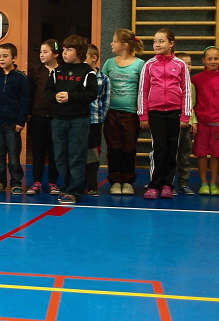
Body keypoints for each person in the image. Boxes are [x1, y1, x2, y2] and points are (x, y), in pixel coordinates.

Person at [137, 28, 192, 200]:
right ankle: (154, 184)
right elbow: (143, 90)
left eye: (161, 41)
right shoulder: (149, 65)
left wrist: (186, 115)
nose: (157, 44)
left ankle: (167, 184)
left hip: (175, 113)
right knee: (159, 148)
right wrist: (143, 115)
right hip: (156, 113)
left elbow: (187, 91)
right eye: (155, 41)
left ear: (171, 43)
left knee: (172, 149)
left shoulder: (180, 65)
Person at [46, 36, 98, 204]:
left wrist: (71, 96)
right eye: (64, 50)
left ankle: (75, 191)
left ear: (79, 52)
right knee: (60, 156)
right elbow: (47, 91)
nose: (64, 53)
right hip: (58, 120)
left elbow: (92, 94)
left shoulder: (87, 72)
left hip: (78, 120)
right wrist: (55, 97)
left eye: (69, 50)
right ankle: (67, 186)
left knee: (76, 156)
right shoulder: (57, 71)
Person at [101, 29, 145, 196]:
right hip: (111, 112)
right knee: (114, 148)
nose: (111, 43)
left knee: (128, 148)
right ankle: (115, 180)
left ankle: (127, 181)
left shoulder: (139, 64)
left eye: (114, 41)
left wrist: (143, 113)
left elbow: (143, 90)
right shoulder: (109, 63)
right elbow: (101, 86)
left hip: (130, 114)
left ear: (125, 45)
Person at [191, 46, 219, 195]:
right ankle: (203, 183)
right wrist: (194, 120)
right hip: (201, 123)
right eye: (210, 59)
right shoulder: (196, 79)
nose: (213, 61)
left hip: (218, 124)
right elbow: (192, 102)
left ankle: (214, 183)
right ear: (204, 60)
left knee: (216, 154)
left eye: (216, 58)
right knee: (201, 154)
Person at [0, 42, 29, 194]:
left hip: (13, 123)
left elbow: (25, 101)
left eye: (5, 56)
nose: (1, 59)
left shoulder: (21, 78)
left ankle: (16, 182)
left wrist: (21, 120)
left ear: (14, 58)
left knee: (13, 155)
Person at [27, 40, 61, 196]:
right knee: (38, 150)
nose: (41, 55)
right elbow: (30, 94)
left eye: (45, 52)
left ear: (55, 54)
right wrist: (28, 114)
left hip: (56, 117)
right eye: (41, 52)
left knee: (55, 151)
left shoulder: (62, 72)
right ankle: (37, 182)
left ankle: (53, 182)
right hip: (38, 116)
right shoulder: (36, 72)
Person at [85, 44, 110, 197]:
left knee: (93, 154)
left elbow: (106, 100)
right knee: (78, 152)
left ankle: (92, 184)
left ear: (94, 58)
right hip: (79, 121)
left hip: (95, 121)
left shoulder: (104, 78)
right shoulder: (80, 76)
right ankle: (77, 182)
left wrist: (101, 117)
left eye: (85, 57)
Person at [174, 52, 195, 195]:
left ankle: (183, 183)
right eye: (184, 63)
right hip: (172, 123)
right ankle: (167, 183)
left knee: (185, 155)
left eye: (189, 64)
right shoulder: (173, 83)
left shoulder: (191, 86)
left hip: (186, 125)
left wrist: (193, 121)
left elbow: (193, 105)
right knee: (170, 155)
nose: (187, 66)